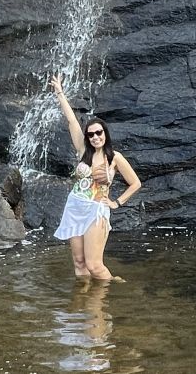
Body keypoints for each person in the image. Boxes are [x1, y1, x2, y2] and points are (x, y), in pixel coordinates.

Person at [50, 74, 141, 280]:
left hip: (96, 210)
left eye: (99, 132)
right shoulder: (83, 151)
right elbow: (71, 120)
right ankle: (84, 302)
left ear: (105, 134)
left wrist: (117, 203)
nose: (95, 137)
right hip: (74, 207)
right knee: (79, 263)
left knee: (94, 265)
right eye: (91, 134)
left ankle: (109, 293)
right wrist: (60, 93)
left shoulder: (114, 158)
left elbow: (135, 183)